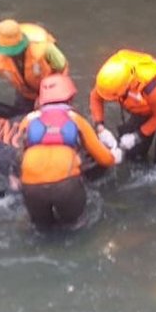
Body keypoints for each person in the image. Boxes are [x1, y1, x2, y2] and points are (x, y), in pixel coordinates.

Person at [19, 74, 123, 231]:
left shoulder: (28, 120)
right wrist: (116, 155)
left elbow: (19, 154)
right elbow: (103, 158)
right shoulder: (75, 119)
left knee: (41, 229)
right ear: (70, 98)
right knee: (74, 226)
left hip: (31, 186)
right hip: (65, 185)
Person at [0, 19, 68, 133]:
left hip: (53, 91)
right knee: (22, 125)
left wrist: (46, 96)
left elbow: (62, 68)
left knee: (55, 127)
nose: (10, 55)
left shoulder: (43, 47)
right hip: (25, 94)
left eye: (13, 51)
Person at [90, 49, 156, 163]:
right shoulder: (109, 79)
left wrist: (136, 136)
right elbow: (95, 97)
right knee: (132, 154)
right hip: (143, 106)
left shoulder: (150, 85)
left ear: (125, 87)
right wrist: (100, 128)